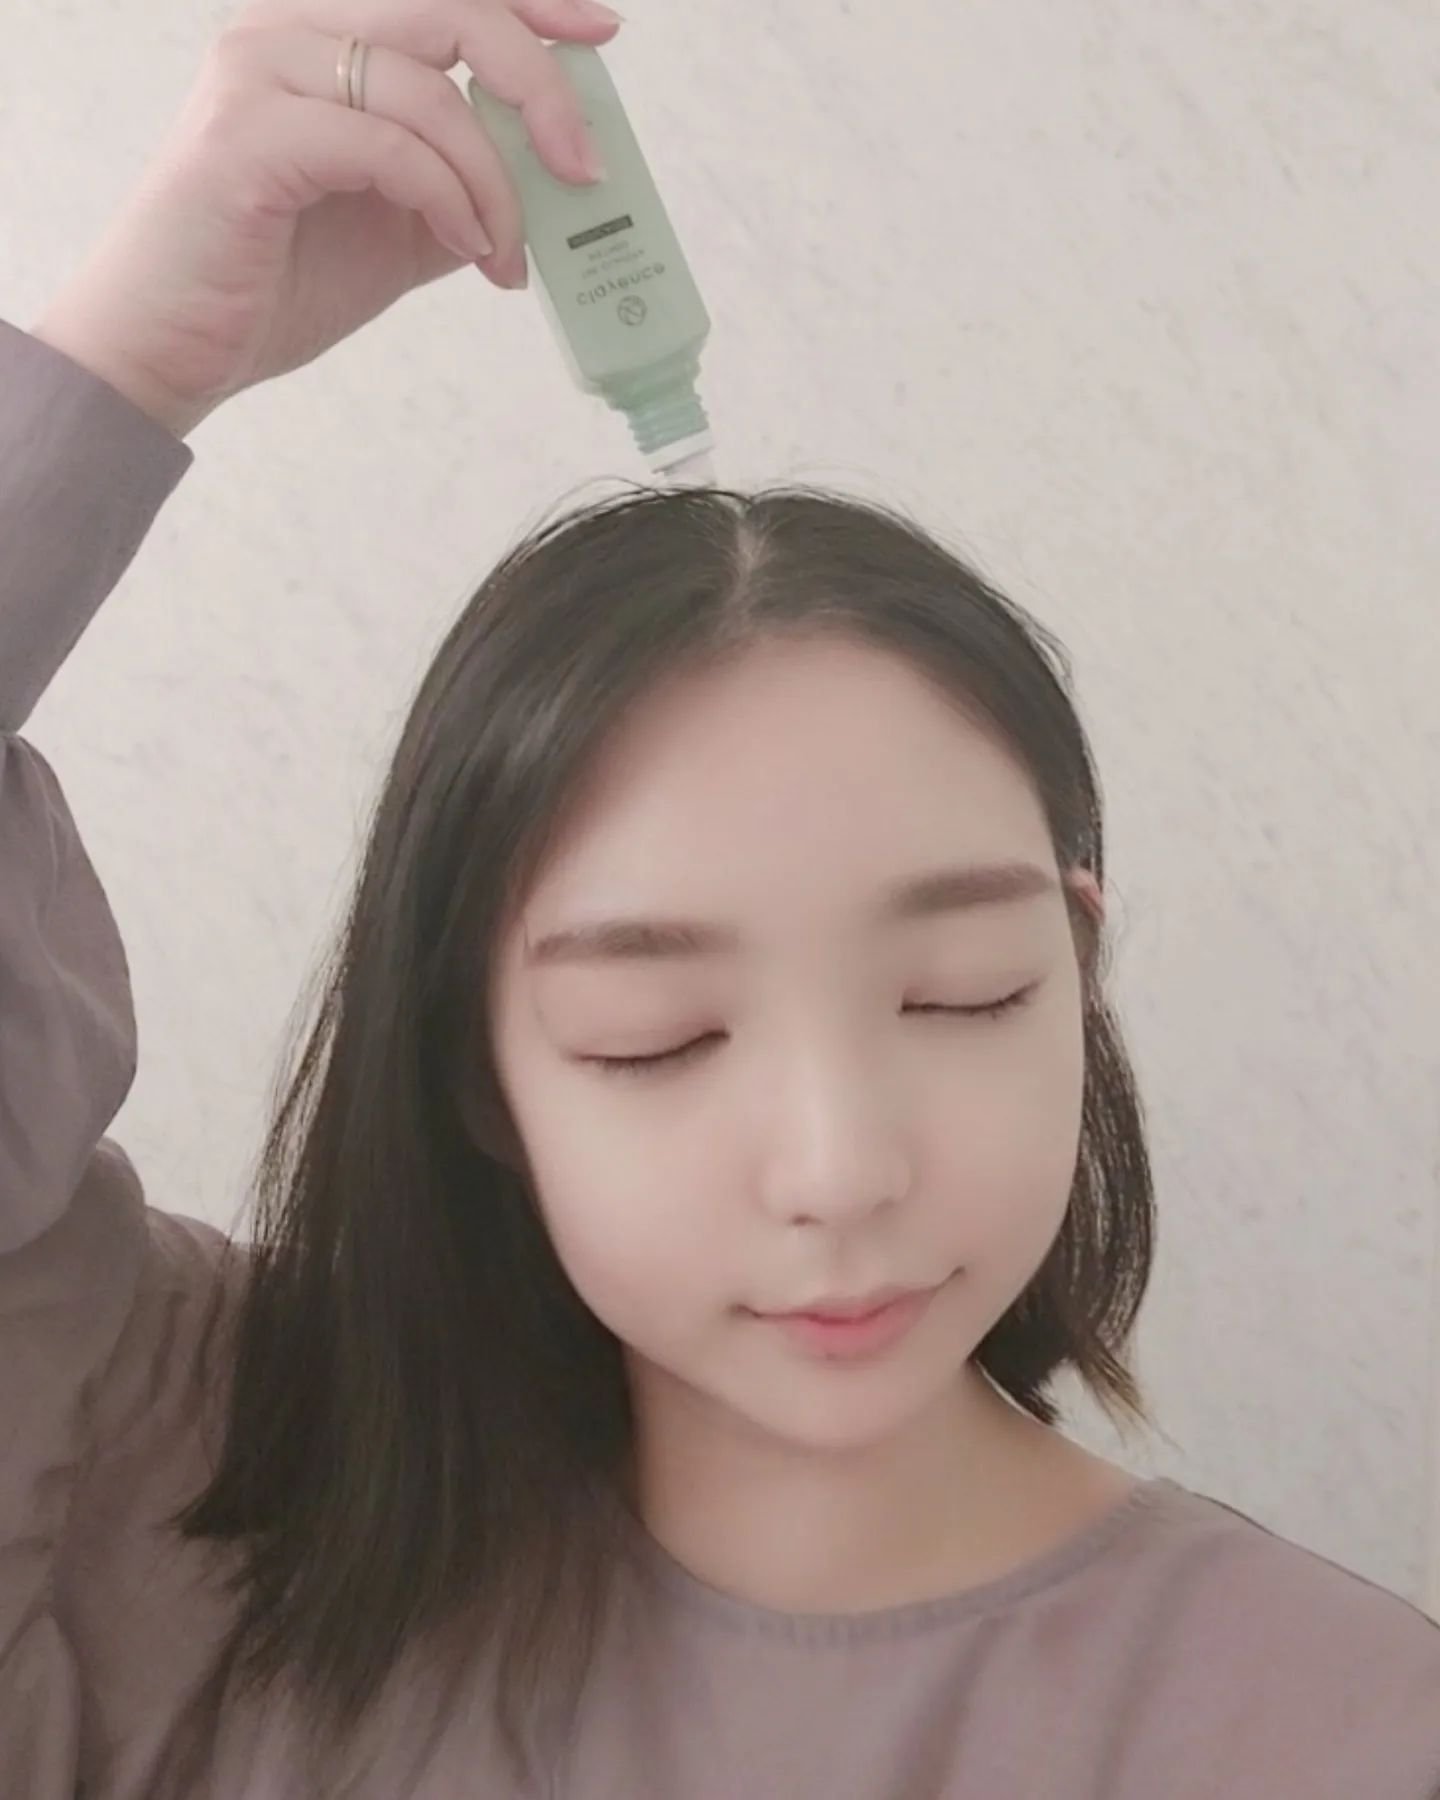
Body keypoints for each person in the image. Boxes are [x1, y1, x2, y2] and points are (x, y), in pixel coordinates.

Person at [2, 1, 1438, 1794]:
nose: (839, 1169)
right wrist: (122, 367)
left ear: (1076, 969)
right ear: (475, 1069)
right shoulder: (209, 1500)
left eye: (962, 994)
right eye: (658, 1037)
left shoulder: (1338, 1729)